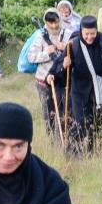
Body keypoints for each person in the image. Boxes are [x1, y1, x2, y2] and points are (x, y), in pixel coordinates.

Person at [63, 15, 102, 153]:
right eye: (86, 34)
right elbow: (60, 68)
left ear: (96, 31)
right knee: (80, 123)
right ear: (81, 31)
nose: (89, 37)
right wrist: (62, 66)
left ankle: (101, 151)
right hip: (80, 91)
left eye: (92, 33)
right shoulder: (73, 44)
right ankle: (78, 154)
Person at [30, 11, 68, 141]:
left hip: (62, 81)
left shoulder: (67, 34)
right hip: (43, 81)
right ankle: (51, 142)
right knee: (48, 114)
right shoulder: (40, 36)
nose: (53, 25)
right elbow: (31, 57)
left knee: (62, 113)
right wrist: (46, 53)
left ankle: (62, 141)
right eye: (49, 22)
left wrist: (66, 48)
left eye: (55, 21)